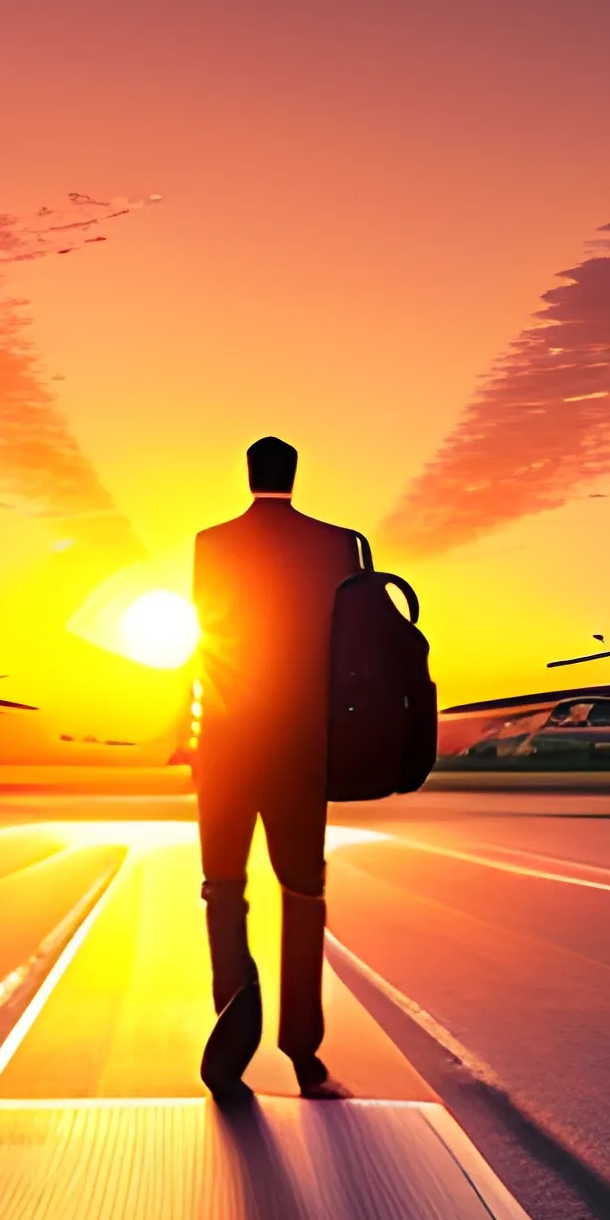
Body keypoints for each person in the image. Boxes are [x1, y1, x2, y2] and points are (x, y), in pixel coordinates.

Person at [191, 435, 363, 1100]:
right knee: (303, 895)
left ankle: (232, 1042)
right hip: (302, 746)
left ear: (248, 473)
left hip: (230, 746)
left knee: (225, 891)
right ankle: (302, 1049)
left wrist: (189, 728)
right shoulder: (336, 544)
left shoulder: (212, 543)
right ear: (294, 473)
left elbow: (207, 640)